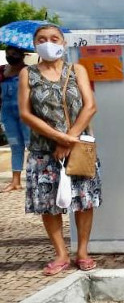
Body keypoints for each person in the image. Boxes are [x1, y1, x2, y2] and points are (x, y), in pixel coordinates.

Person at [18, 24, 102, 275]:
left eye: (54, 38)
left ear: (63, 43)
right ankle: (61, 253)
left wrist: (68, 139)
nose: (48, 42)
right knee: (48, 203)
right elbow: (25, 113)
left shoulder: (77, 70)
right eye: (42, 39)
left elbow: (90, 106)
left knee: (84, 200)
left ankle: (82, 251)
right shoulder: (27, 73)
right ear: (35, 45)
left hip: (78, 147)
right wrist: (57, 138)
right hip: (43, 150)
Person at [0, 46, 30, 192]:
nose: (10, 56)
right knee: (15, 146)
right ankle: (15, 181)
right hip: (8, 115)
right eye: (8, 54)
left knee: (32, 146)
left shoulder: (29, 71)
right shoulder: (2, 71)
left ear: (22, 55)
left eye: (14, 54)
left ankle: (35, 178)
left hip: (27, 114)